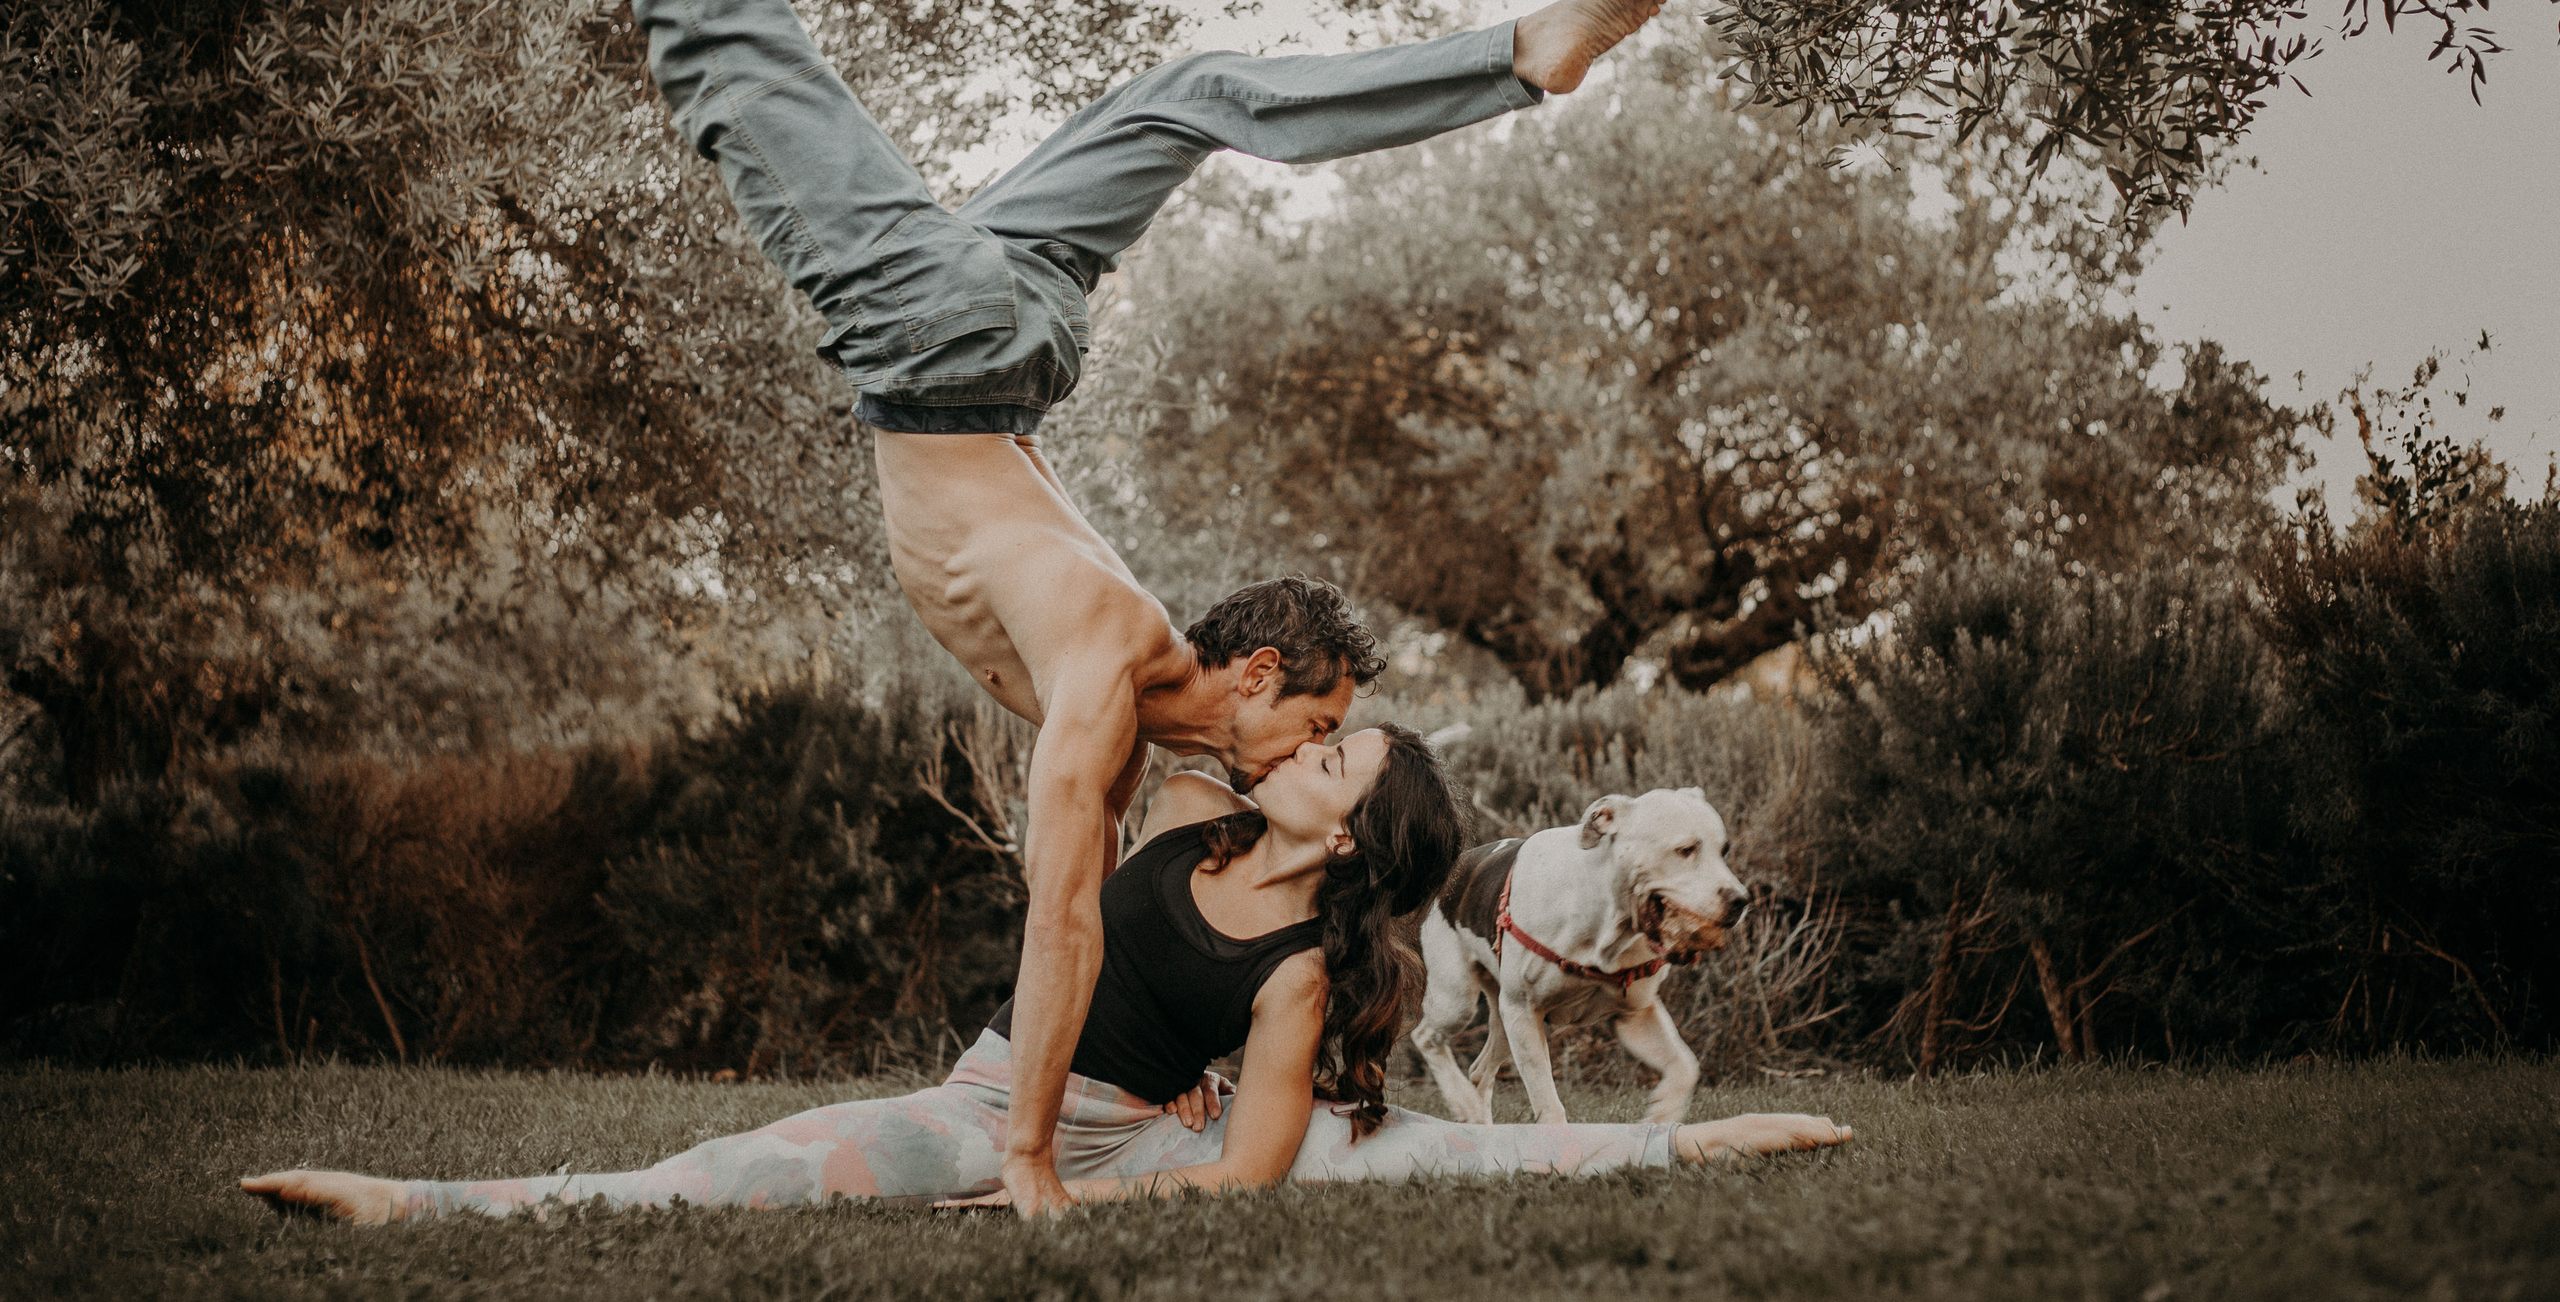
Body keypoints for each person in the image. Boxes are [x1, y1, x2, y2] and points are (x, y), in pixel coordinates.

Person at [400, 0, 1680, 1216]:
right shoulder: (1106, 659)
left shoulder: (1163, 678)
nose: (1297, 755)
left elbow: (1252, 883)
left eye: (1319, 746)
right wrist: (1024, 1160)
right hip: (938, 337)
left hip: (1016, 323)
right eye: (1312, 728)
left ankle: (1507, 60)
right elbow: (1063, 922)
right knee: (731, 41)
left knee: (1198, 86)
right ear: (1259, 678)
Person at [243, 726, 1850, 1222]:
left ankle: (1685, 1138)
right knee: (722, 1170)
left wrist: (1068, 1196)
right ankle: (418, 1201)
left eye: (1339, 753)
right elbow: (1135, 686)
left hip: (1116, 1138)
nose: (1304, 744)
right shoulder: (1200, 814)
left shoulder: (1301, 970)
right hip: (981, 1101)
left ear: (1353, 825)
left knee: (1436, 1147)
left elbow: (1237, 1183)